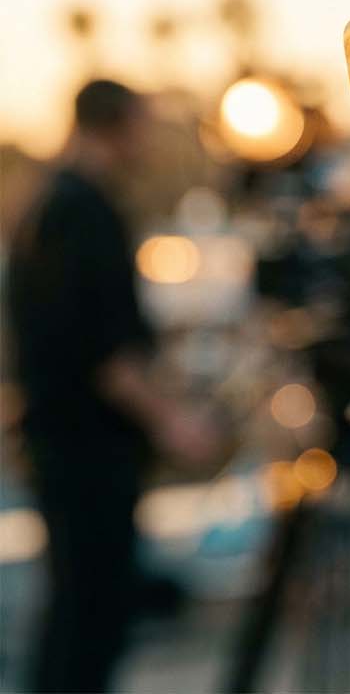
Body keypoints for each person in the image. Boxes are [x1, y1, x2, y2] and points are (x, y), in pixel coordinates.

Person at [4, 79, 218, 692]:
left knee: (77, 609)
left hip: (61, 444)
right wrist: (176, 424)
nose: (149, 139)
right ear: (117, 124)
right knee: (90, 616)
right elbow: (104, 354)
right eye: (144, 124)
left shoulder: (47, 203)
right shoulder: (82, 208)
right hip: (84, 450)